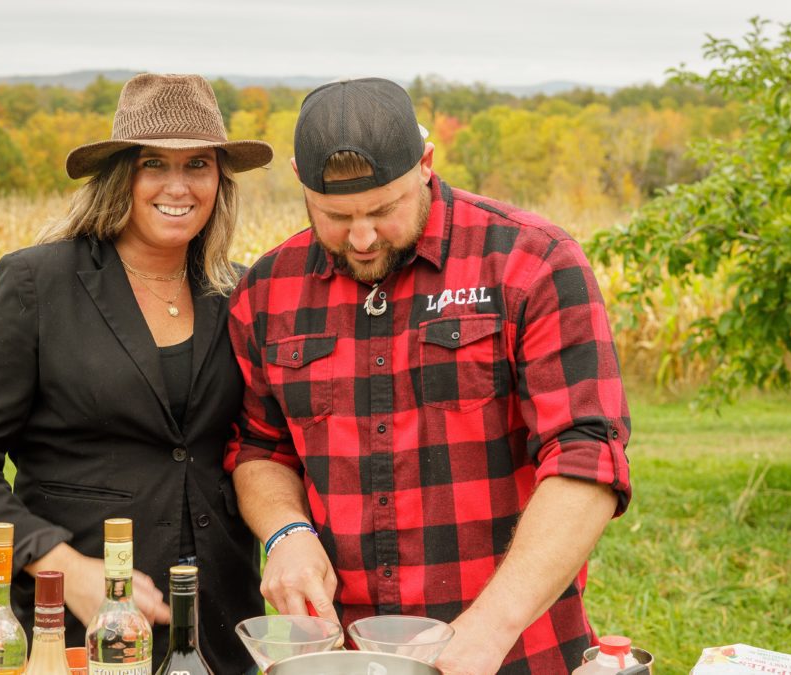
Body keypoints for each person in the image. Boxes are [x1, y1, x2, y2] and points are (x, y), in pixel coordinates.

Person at [225, 78, 633, 675]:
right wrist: (286, 532)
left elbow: (587, 456)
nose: (361, 239)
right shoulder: (268, 289)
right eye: (336, 216)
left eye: (383, 210)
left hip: (512, 648)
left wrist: (491, 626)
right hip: (341, 654)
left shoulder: (531, 262)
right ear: (299, 180)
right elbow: (260, 447)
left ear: (426, 164)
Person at [0, 73, 272, 673]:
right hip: (77, 620)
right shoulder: (38, 283)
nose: (178, 186)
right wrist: (65, 567)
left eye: (198, 165)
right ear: (119, 176)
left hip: (219, 617)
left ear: (221, 179)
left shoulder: (239, 291)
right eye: (153, 164)